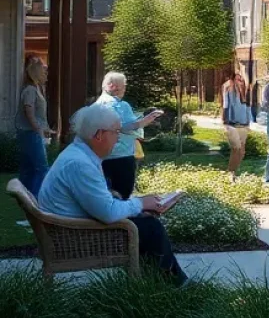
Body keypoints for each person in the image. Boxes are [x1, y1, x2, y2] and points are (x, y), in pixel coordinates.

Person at [38, 104, 187, 285]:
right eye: (116, 132)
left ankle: (156, 282)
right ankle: (174, 285)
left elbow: (98, 202)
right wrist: (141, 203)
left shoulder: (80, 154)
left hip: (70, 230)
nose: (118, 138)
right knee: (150, 228)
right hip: (74, 239)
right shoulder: (80, 164)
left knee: (144, 220)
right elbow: (108, 212)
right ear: (99, 135)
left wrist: (136, 205)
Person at [94, 71, 162, 200]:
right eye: (124, 85)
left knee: (106, 196)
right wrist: (147, 120)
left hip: (101, 158)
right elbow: (126, 127)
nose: (125, 88)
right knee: (122, 197)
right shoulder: (121, 105)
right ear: (113, 86)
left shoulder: (96, 105)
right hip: (122, 157)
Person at [16, 56, 53, 197]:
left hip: (30, 133)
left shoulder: (37, 88)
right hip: (30, 134)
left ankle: (26, 200)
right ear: (36, 72)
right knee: (41, 168)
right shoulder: (30, 90)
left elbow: (37, 115)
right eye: (43, 70)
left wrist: (46, 128)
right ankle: (37, 200)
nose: (46, 73)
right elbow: (29, 112)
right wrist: (39, 130)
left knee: (28, 169)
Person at [222, 72, 253, 179]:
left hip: (243, 125)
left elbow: (248, 109)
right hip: (231, 124)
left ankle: (233, 172)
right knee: (236, 149)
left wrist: (248, 123)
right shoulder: (229, 91)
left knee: (242, 152)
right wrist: (224, 123)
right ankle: (230, 172)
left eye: (242, 80)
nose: (240, 81)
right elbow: (225, 105)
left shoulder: (245, 94)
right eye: (237, 79)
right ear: (233, 81)